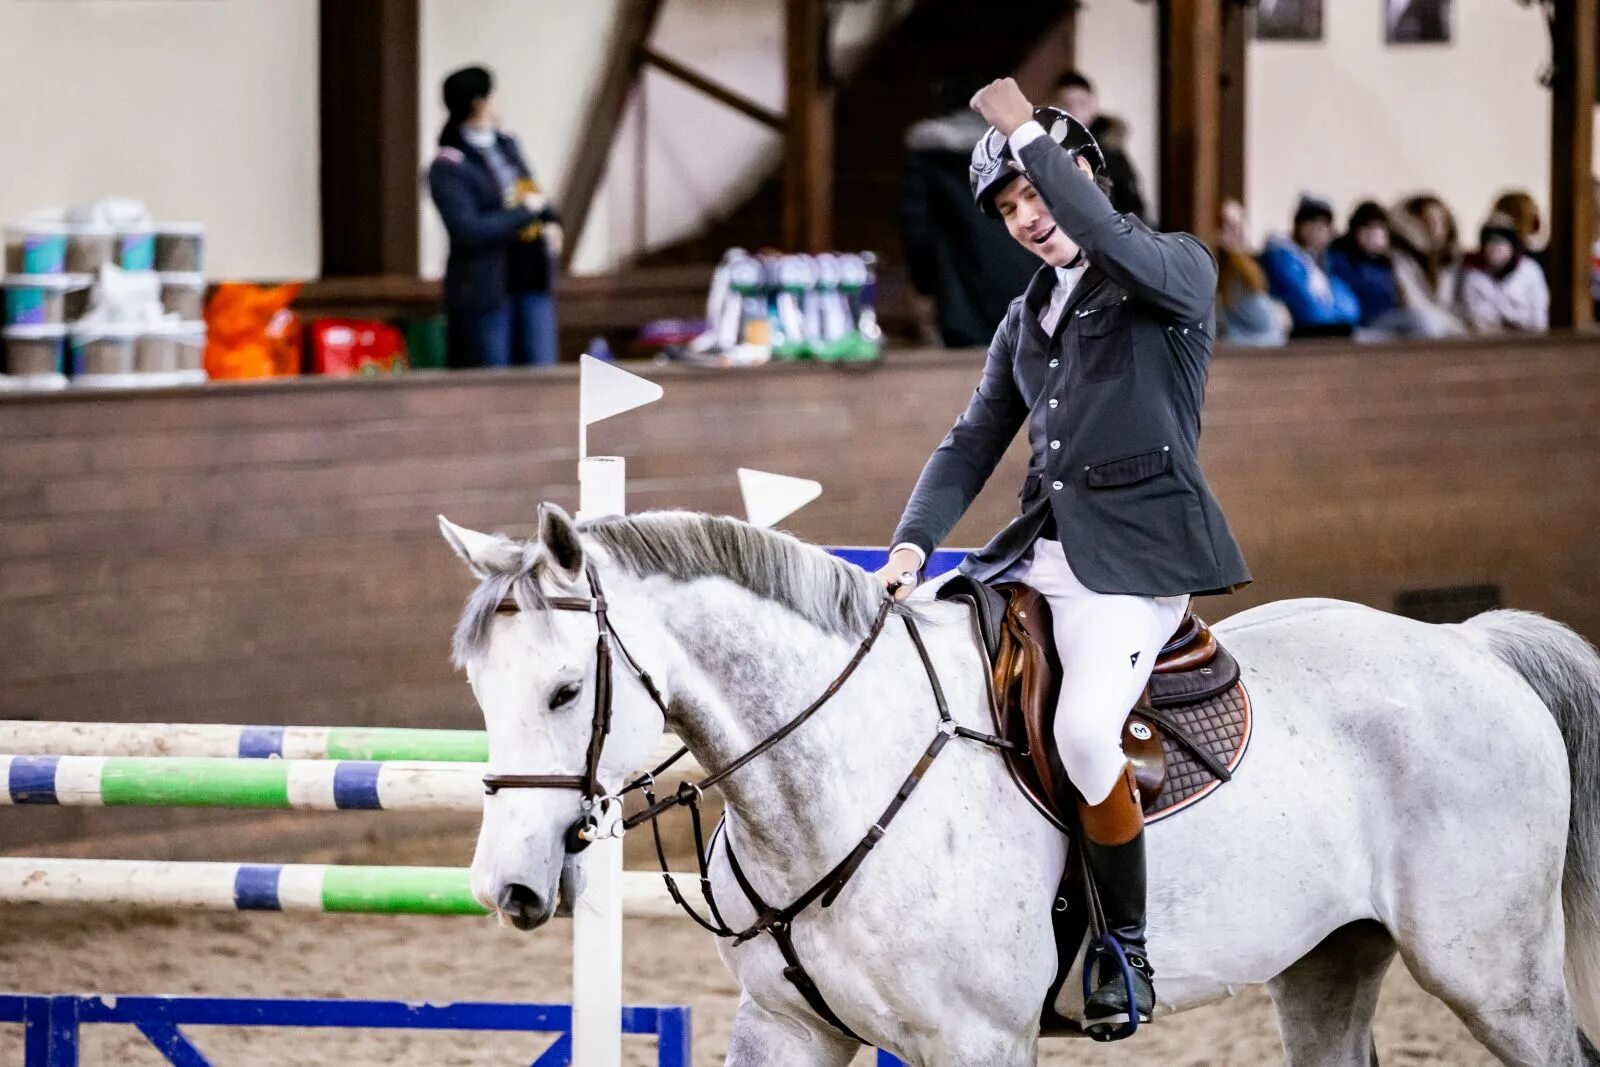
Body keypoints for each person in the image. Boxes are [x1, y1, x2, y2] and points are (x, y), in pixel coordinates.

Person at [877, 78, 1251, 1036]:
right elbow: (972, 441)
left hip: (1136, 563)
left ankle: (1123, 947)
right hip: (1034, 558)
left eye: (1037, 194)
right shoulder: (1025, 317)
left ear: (1085, 173)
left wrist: (1024, 133)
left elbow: (1109, 238)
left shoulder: (1173, 270)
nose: (1027, 219)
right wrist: (912, 543)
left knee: (1086, 731)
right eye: (1009, 210)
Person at [429, 65, 563, 369]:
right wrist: (525, 213)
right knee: (494, 371)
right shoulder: (450, 164)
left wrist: (551, 221)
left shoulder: (507, 145)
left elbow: (531, 190)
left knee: (542, 369)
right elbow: (468, 229)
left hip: (530, 277)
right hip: (486, 288)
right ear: (479, 103)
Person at [901, 76, 1041, 347]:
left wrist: (924, 284)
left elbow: (917, 226)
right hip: (1028, 280)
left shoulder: (929, 154)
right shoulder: (1025, 146)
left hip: (961, 292)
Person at [1259, 195, 1361, 337]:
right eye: (1316, 224)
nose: (1321, 231)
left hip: (1326, 333)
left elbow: (1351, 310)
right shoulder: (1281, 257)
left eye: (1325, 226)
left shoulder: (1324, 261)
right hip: (1299, 337)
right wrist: (1333, 316)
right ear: (1302, 226)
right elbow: (1308, 312)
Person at [1053, 71, 1147, 221]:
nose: (1075, 111)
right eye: (1066, 105)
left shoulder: (1110, 149)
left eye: (1082, 103)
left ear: (1094, 106)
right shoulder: (1049, 148)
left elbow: (1133, 207)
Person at [1387, 194, 1467, 338]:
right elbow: (1413, 303)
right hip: (1414, 330)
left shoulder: (1453, 260)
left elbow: (1460, 306)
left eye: (1442, 221)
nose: (1436, 228)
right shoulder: (1400, 259)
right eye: (1427, 221)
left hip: (1450, 331)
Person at [1214, 199, 1289, 345]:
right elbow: (1264, 319)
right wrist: (1277, 313)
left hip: (1253, 339)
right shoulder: (1228, 267)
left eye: (1241, 222)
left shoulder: (1249, 263)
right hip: (1238, 345)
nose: (1238, 230)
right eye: (1229, 225)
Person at [1459, 213, 1549, 333]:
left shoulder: (1530, 271)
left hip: (1525, 338)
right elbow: (1468, 317)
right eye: (1490, 242)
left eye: (1501, 242)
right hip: (1484, 339)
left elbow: (1539, 320)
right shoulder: (1472, 275)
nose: (1495, 247)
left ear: (1512, 245)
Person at [1325, 200, 1400, 329]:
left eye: (1378, 228)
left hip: (1388, 322)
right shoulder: (1340, 259)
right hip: (1359, 324)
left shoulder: (1389, 263)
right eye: (1366, 228)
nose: (1373, 234)